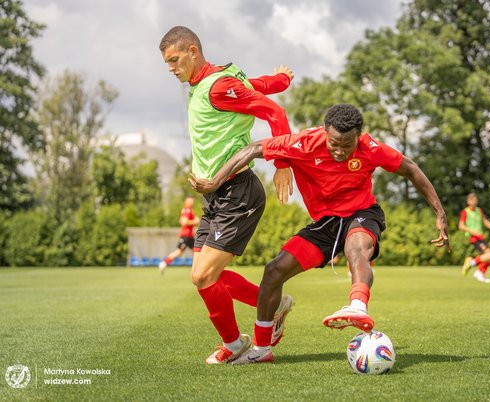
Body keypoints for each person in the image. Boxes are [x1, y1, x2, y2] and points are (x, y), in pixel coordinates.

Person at [190, 104, 450, 364]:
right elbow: (253, 148)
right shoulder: (304, 143)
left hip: (361, 213)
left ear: (358, 137)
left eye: (347, 145)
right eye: (334, 143)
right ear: (325, 132)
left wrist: (439, 213)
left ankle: (357, 306)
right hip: (325, 225)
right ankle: (262, 348)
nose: (340, 151)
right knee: (274, 271)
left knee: (356, 250)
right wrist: (215, 182)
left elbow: (410, 168)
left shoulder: (370, 148)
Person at [159, 26, 295, 364]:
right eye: (167, 63)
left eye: (174, 60)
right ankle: (270, 308)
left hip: (238, 193)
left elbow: (274, 113)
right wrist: (281, 80)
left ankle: (235, 344)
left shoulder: (218, 86)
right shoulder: (212, 81)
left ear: (193, 51)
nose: (171, 68)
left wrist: (282, 164)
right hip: (214, 196)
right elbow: (259, 85)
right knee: (207, 278)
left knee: (202, 275)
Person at [458, 193, 490, 283]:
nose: (474, 202)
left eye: (476, 200)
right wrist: (472, 232)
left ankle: (475, 267)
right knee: (489, 253)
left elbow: (485, 222)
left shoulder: (479, 210)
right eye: (472, 200)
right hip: (473, 237)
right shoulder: (465, 211)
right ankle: (477, 269)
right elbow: (461, 226)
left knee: (488, 255)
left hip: (480, 237)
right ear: (468, 201)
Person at [158, 196, 201, 274]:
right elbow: (184, 222)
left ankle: (198, 268)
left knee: (196, 251)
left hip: (189, 236)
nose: (192, 203)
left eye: (192, 201)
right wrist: (195, 221)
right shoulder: (187, 210)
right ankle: (164, 263)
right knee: (180, 252)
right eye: (190, 201)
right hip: (186, 235)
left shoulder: (187, 210)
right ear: (186, 201)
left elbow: (180, 220)